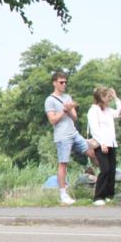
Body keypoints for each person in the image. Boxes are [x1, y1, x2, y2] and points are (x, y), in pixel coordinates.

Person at [44, 71, 94, 205]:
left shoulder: (67, 97)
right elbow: (53, 120)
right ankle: (63, 194)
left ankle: (101, 181)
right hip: (62, 136)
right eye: (61, 82)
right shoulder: (50, 100)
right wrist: (64, 110)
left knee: (92, 152)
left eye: (65, 82)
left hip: (74, 133)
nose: (64, 84)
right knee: (63, 163)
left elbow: (75, 117)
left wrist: (70, 109)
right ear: (54, 83)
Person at [87, 87, 121, 205]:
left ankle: (109, 194)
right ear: (100, 98)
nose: (108, 99)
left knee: (112, 170)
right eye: (106, 96)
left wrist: (116, 98)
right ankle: (98, 196)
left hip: (111, 143)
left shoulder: (108, 110)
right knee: (105, 169)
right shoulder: (93, 110)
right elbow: (95, 129)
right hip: (101, 144)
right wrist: (102, 143)